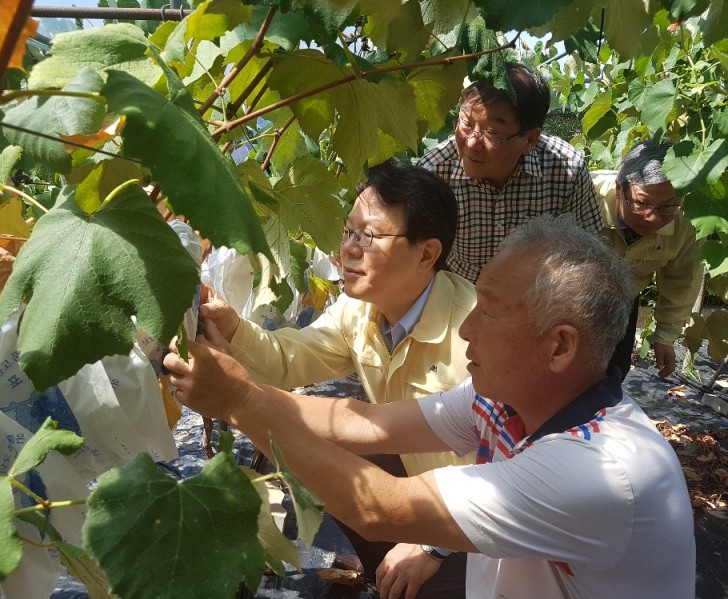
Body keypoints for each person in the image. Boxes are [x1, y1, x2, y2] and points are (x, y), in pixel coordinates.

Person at [165, 215, 696, 599]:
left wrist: (238, 400)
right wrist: (241, 391)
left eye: (487, 311)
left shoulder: (599, 472)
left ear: (559, 346)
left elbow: (379, 508)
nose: (468, 327)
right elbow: (365, 423)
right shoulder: (505, 402)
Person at [199, 158, 476, 596]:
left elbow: (502, 470)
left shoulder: (473, 339)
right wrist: (232, 326)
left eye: (369, 236)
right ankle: (385, 570)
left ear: (427, 253)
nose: (348, 249)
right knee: (329, 437)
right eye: (349, 231)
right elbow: (291, 357)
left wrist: (431, 547)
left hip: (476, 523)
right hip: (412, 484)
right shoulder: (360, 309)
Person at [418, 62, 603, 283]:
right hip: (460, 292)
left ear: (530, 139)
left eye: (492, 132)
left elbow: (587, 253)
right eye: (466, 123)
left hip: (536, 293)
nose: (471, 143)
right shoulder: (434, 173)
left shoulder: (566, 170)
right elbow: (417, 257)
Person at [592, 140, 704, 379]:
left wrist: (664, 337)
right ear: (619, 190)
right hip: (562, 301)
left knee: (612, 373)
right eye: (642, 204)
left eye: (667, 207)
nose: (653, 218)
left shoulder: (688, 221)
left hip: (623, 301)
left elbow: (682, 282)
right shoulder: (587, 195)